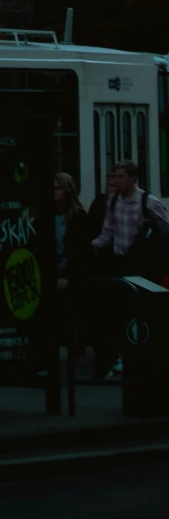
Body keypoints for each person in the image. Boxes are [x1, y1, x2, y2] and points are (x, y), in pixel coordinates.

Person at [87, 157, 169, 380]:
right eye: (115, 176)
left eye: (121, 176)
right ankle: (122, 354)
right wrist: (93, 245)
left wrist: (148, 227)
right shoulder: (113, 202)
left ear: (133, 178)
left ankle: (140, 355)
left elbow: (165, 228)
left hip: (143, 265)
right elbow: (108, 232)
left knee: (139, 310)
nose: (117, 181)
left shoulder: (147, 201)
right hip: (121, 261)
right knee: (119, 310)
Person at [53, 173, 92, 363]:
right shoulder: (47, 213)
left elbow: (80, 253)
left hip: (71, 272)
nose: (54, 192)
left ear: (68, 191)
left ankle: (77, 345)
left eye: (58, 188)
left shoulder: (78, 217)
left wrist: (68, 276)